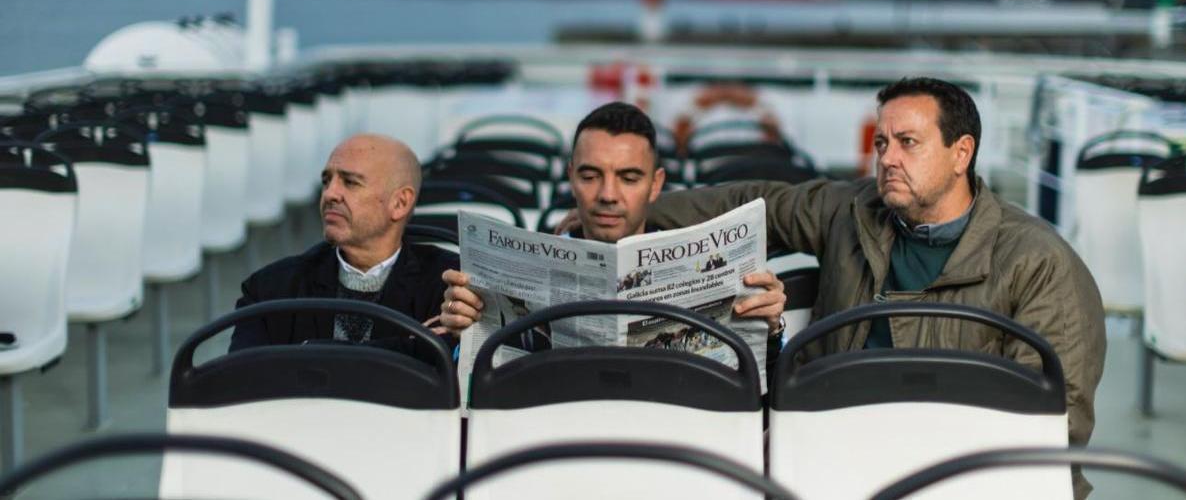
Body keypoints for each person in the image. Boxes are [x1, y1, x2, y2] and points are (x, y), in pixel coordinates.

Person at [641, 77, 1106, 498]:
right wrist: (640, 214)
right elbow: (752, 205)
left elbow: (1053, 419)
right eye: (882, 143)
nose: (887, 158)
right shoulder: (853, 211)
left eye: (908, 143)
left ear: (961, 153)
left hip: (960, 477)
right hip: (834, 458)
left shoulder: (1039, 261)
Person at [434, 101, 786, 345]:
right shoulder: (513, 269)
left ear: (656, 185)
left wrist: (769, 328)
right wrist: (459, 327)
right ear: (571, 177)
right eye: (590, 175)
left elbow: (752, 395)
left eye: (629, 178)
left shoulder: (707, 269)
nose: (608, 194)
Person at [229, 134, 458, 351]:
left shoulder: (451, 288)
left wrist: (310, 351)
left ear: (400, 203)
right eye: (326, 181)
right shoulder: (270, 290)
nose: (330, 194)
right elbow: (242, 382)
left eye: (350, 182)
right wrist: (410, 348)